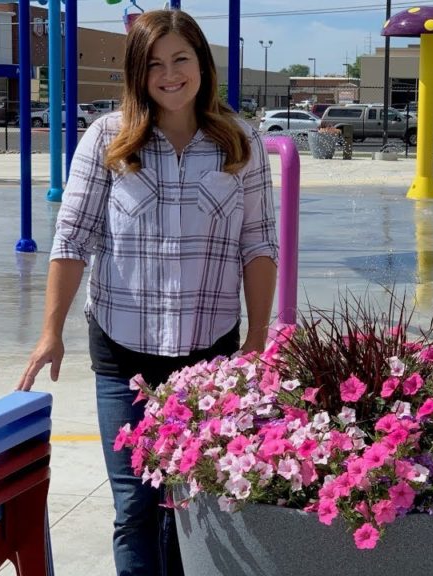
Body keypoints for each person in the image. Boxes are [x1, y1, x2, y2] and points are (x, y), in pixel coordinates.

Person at [16, 9, 278, 576]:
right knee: (135, 507)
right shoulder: (107, 139)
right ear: (138, 73)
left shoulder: (241, 142)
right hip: (122, 353)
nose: (170, 74)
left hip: (208, 357)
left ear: (202, 64)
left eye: (181, 59)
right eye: (155, 64)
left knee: (193, 505)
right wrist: (50, 332)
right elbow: (73, 238)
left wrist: (257, 338)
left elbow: (258, 244)